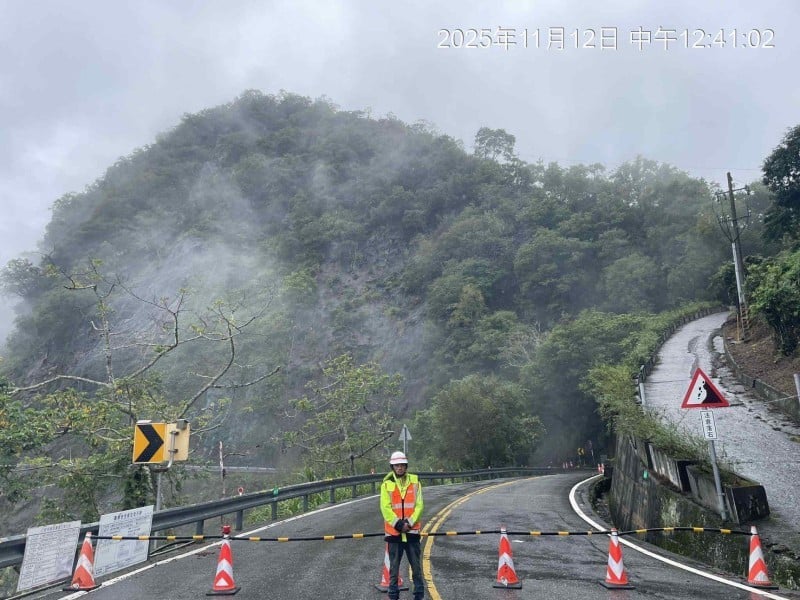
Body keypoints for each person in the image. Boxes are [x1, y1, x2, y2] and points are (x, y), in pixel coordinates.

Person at [380, 450, 424, 600]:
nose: (399, 468)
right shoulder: (386, 485)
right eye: (396, 465)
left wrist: (409, 523)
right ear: (392, 467)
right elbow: (385, 508)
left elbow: (419, 505)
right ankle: (393, 595)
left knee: (416, 569)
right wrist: (398, 524)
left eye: (402, 465)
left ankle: (419, 595)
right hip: (394, 534)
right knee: (393, 570)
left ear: (406, 466)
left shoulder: (415, 481)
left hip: (412, 533)